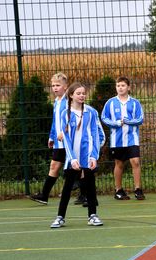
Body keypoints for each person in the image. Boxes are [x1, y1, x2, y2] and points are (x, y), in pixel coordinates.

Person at [50, 83, 103, 228]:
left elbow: (95, 134)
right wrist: (72, 158)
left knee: (90, 185)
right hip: (72, 157)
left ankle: (93, 215)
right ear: (71, 95)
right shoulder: (65, 114)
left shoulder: (91, 112)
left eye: (83, 93)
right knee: (67, 187)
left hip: (88, 156)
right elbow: (65, 138)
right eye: (78, 93)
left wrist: (93, 156)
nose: (82, 96)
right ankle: (60, 217)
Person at [101, 76, 145, 200]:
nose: (120, 88)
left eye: (123, 85)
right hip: (117, 139)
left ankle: (138, 189)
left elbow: (140, 119)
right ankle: (118, 190)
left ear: (128, 87)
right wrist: (115, 123)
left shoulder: (135, 103)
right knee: (119, 163)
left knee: (135, 161)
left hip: (132, 138)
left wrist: (128, 121)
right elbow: (104, 117)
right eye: (118, 85)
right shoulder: (110, 102)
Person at [30, 72, 69, 205]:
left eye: (58, 85)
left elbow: (74, 120)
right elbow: (55, 122)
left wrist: (65, 132)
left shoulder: (69, 101)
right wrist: (52, 136)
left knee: (77, 168)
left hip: (69, 141)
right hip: (59, 143)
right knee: (54, 166)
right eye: (53, 85)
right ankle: (44, 196)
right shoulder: (56, 102)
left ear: (65, 86)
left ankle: (86, 195)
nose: (55, 88)